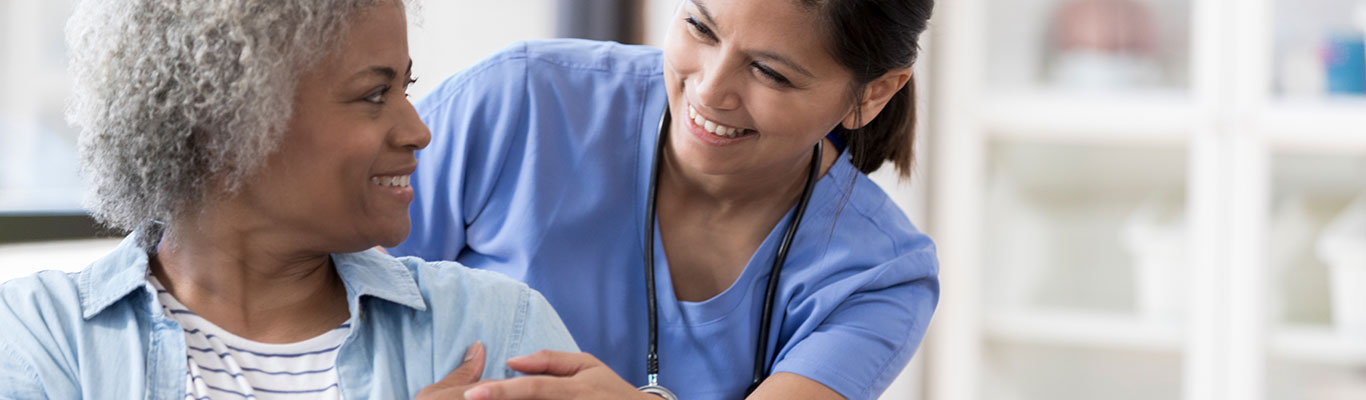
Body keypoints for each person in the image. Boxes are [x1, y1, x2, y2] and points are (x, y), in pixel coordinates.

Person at [0, 0, 576, 398]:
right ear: (226, 123)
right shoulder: (39, 341)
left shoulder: (498, 328)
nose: (418, 130)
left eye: (407, 86)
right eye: (374, 94)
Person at [392, 0, 940, 398]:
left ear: (874, 93)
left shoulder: (879, 274)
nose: (708, 89)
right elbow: (325, 284)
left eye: (769, 72)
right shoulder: (523, 102)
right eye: (700, 27)